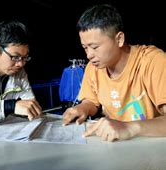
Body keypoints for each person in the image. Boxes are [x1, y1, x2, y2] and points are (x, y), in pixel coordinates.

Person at [63, 4, 166, 141]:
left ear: (119, 39)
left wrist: (129, 128)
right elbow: (91, 101)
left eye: (94, 47)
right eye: (85, 48)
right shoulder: (93, 67)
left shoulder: (153, 61)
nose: (89, 55)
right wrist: (82, 108)